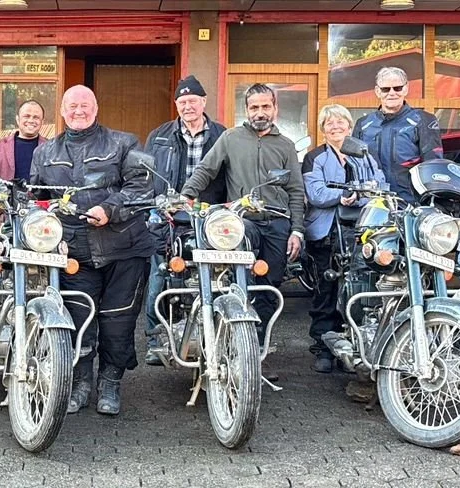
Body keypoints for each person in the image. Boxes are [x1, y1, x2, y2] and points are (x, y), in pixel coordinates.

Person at [31, 85, 154, 416]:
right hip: (73, 254)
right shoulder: (44, 152)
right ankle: (80, 383)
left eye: (85, 105)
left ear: (96, 109)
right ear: (62, 110)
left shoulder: (124, 143)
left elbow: (141, 187)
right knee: (77, 321)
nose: (78, 111)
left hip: (123, 249)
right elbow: (36, 198)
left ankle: (110, 383)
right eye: (72, 106)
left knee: (118, 321)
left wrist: (110, 210)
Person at [180, 83, 307, 344]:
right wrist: (187, 194)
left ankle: (258, 347)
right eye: (254, 107)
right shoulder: (231, 138)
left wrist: (297, 230)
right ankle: (231, 344)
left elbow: (295, 190)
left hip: (278, 223)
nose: (260, 112)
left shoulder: (285, 145)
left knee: (270, 287)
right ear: (246, 110)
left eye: (265, 106)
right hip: (241, 222)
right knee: (237, 279)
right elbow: (206, 169)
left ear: (275, 108)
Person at [140, 75, 230, 365]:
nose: (187, 106)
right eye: (182, 102)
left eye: (193, 101)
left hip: (209, 216)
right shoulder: (160, 135)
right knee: (159, 274)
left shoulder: (222, 134)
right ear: (176, 105)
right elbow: (148, 176)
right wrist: (155, 205)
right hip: (167, 216)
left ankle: (215, 336)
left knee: (214, 276)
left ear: (204, 102)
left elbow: (230, 175)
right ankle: (156, 339)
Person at [301, 104, 386, 374]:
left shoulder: (364, 154)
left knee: (357, 290)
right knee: (326, 293)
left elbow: (381, 187)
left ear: (350, 127)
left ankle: (354, 347)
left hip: (361, 233)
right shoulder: (314, 157)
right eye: (330, 123)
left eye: (341, 123)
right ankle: (323, 349)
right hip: (327, 234)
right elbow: (315, 193)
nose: (336, 127)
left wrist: (361, 196)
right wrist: (342, 196)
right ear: (322, 129)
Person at [353, 67, 442, 202]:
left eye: (397, 88)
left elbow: (433, 165)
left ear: (406, 89)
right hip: (373, 202)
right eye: (386, 89)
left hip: (411, 202)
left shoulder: (423, 120)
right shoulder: (363, 124)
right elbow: (354, 164)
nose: (392, 93)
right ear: (377, 91)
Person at [0, 99, 46, 181]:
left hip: (41, 194)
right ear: (17, 119)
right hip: (6, 194)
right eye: (26, 116)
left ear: (42, 121)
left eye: (36, 117)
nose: (31, 120)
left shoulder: (52, 149)